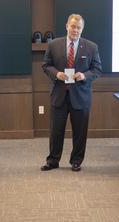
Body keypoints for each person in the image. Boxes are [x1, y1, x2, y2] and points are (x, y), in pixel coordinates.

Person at [41, 13, 102, 172]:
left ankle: (76, 161)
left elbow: (97, 69)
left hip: (81, 97)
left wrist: (84, 75)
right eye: (73, 26)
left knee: (80, 133)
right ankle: (53, 161)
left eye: (78, 28)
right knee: (56, 131)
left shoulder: (91, 47)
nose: (75, 30)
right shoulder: (53, 45)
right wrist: (56, 74)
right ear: (67, 26)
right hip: (59, 96)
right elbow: (46, 65)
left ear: (82, 29)